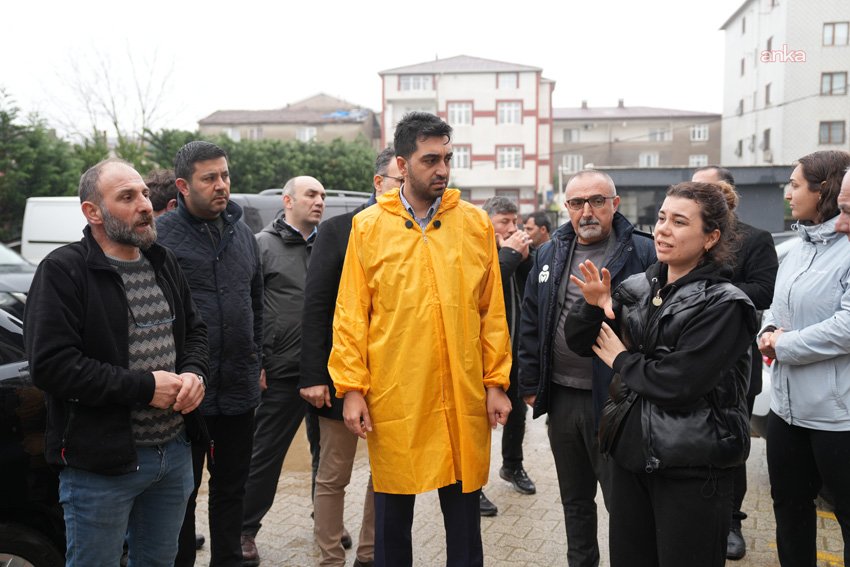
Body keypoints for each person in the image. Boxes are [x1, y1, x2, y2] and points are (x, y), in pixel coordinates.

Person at [327, 112, 512, 567]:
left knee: (464, 518)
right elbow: (351, 312)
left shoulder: (474, 224)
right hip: (398, 394)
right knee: (392, 519)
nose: (443, 170)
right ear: (403, 165)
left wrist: (495, 382)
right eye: (431, 160)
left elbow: (492, 311)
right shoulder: (369, 227)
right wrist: (351, 390)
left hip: (463, 392)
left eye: (448, 158)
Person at [24, 158, 208, 566]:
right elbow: (52, 366)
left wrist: (195, 373)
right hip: (100, 466)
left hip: (173, 454)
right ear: (93, 212)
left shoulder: (163, 261)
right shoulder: (63, 271)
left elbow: (196, 332)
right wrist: (145, 388)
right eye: (127, 196)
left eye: (143, 193)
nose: (145, 204)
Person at [566, 181, 757, 567]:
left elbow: (680, 382)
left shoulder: (726, 304)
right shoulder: (638, 287)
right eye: (661, 218)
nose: (663, 229)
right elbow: (581, 342)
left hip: (692, 464)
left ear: (711, 237)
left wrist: (622, 361)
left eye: (680, 222)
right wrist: (592, 307)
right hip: (631, 457)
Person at [518, 169, 655, 566]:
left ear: (615, 204)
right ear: (567, 208)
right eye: (577, 203)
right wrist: (530, 383)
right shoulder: (549, 252)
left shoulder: (642, 252)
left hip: (617, 402)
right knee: (574, 500)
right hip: (561, 399)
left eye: (597, 201)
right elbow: (531, 320)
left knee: (623, 503)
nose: (587, 211)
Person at [157, 141, 264, 567]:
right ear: (183, 186)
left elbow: (256, 302)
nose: (222, 185)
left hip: (238, 386)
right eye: (209, 178)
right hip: (186, 392)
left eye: (225, 175)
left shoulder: (243, 234)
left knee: (231, 489)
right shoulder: (161, 240)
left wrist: (257, 360)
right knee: (181, 492)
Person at [299, 146, 402, 567]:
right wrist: (314, 375)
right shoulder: (340, 229)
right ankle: (328, 559)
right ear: (379, 183)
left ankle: (370, 555)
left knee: (388, 475)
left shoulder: (415, 232)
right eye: (401, 180)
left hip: (394, 376)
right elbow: (316, 305)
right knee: (333, 474)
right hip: (341, 376)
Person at [759, 150, 850, 566]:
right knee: (789, 510)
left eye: (795, 185)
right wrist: (766, 332)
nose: (788, 192)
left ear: (824, 190)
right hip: (785, 410)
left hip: (836, 416)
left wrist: (783, 345)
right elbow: (777, 309)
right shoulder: (797, 247)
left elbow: (846, 328)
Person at [238, 175, 326, 565]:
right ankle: (244, 530)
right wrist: (256, 360)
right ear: (288, 201)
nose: (319, 201)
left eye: (323, 195)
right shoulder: (262, 246)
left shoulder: (329, 245)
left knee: (327, 455)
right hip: (281, 370)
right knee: (265, 455)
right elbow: (247, 307)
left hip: (326, 369)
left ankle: (325, 521)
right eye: (311, 194)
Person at [692, 165, 778, 560]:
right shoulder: (686, 236)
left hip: (734, 361)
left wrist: (709, 289)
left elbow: (762, 291)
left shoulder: (755, 239)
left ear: (726, 192)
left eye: (704, 188)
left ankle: (731, 522)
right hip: (687, 359)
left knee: (731, 443)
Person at [479, 196, 535, 519]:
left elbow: (533, 287)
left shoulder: (516, 253)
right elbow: (485, 289)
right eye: (505, 222)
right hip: (483, 356)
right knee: (479, 421)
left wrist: (523, 258)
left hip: (514, 351)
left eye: (516, 222)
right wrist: (509, 255)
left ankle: (512, 465)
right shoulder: (480, 251)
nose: (514, 228)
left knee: (516, 413)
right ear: (488, 223)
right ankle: (472, 486)